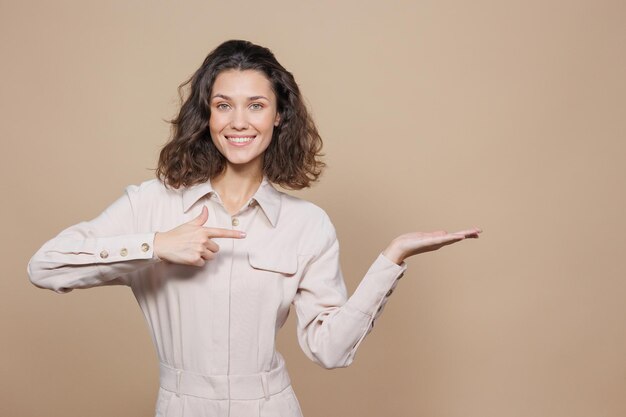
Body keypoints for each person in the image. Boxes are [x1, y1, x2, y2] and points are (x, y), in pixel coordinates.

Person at [27, 39, 481, 417]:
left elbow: (331, 350)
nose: (239, 122)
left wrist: (391, 259)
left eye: (256, 105)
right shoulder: (152, 203)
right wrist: (157, 244)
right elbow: (44, 268)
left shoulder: (307, 224)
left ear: (279, 115)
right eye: (223, 105)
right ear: (207, 115)